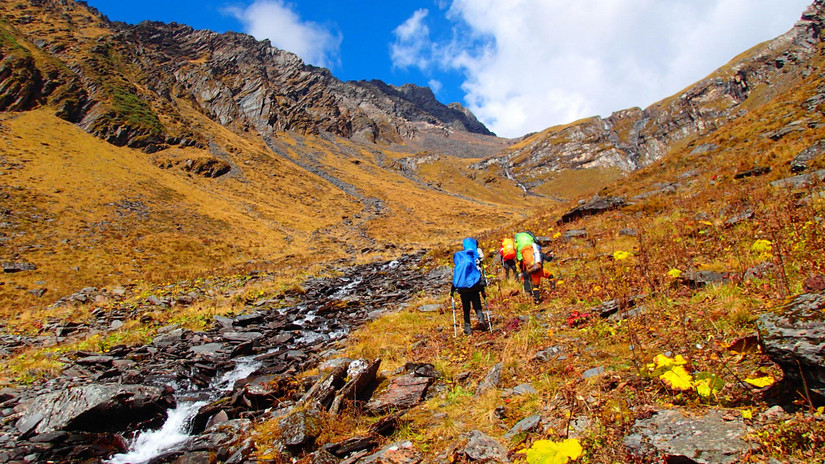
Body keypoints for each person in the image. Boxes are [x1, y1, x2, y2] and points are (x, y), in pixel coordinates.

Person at [450, 237, 488, 335]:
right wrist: (482, 289)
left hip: (463, 288)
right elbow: (479, 273)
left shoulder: (460, 257)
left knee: (466, 308)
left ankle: (467, 328)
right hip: (475, 286)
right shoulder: (475, 255)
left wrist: (452, 290)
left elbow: (457, 274)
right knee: (477, 305)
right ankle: (481, 319)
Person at [515, 232, 554, 303]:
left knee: (529, 280)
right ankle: (553, 289)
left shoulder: (518, 242)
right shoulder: (534, 247)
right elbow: (548, 259)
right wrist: (551, 255)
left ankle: (533, 297)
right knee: (550, 276)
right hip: (540, 269)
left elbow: (516, 251)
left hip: (526, 265)